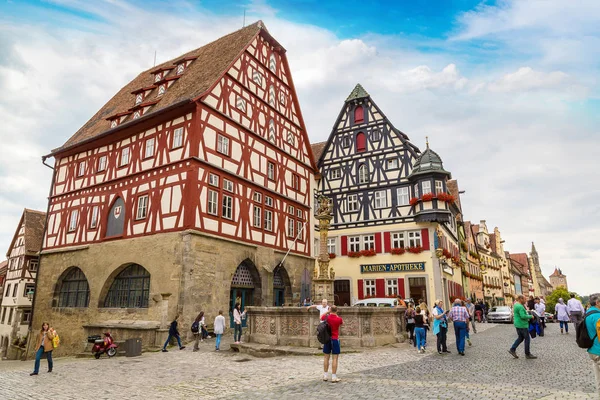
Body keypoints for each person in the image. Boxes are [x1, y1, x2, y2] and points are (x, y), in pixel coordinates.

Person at [508, 294, 536, 359]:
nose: (526, 300)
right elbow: (523, 316)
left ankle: (512, 349)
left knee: (520, 338)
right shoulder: (520, 306)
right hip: (522, 324)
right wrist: (531, 316)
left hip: (518, 324)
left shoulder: (516, 305)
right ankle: (527, 354)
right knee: (527, 339)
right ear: (521, 299)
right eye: (525, 299)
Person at [322, 305, 343, 383]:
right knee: (335, 358)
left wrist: (328, 312)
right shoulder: (339, 319)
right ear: (336, 310)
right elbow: (342, 323)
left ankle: (325, 375)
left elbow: (321, 317)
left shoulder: (327, 318)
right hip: (335, 339)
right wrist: (336, 314)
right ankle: (334, 377)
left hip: (327, 339)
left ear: (330, 310)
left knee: (326, 357)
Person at [585, 295, 600, 395]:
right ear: (598, 303)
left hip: (592, 350)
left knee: (598, 379)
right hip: (599, 350)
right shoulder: (597, 316)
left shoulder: (588, 313)